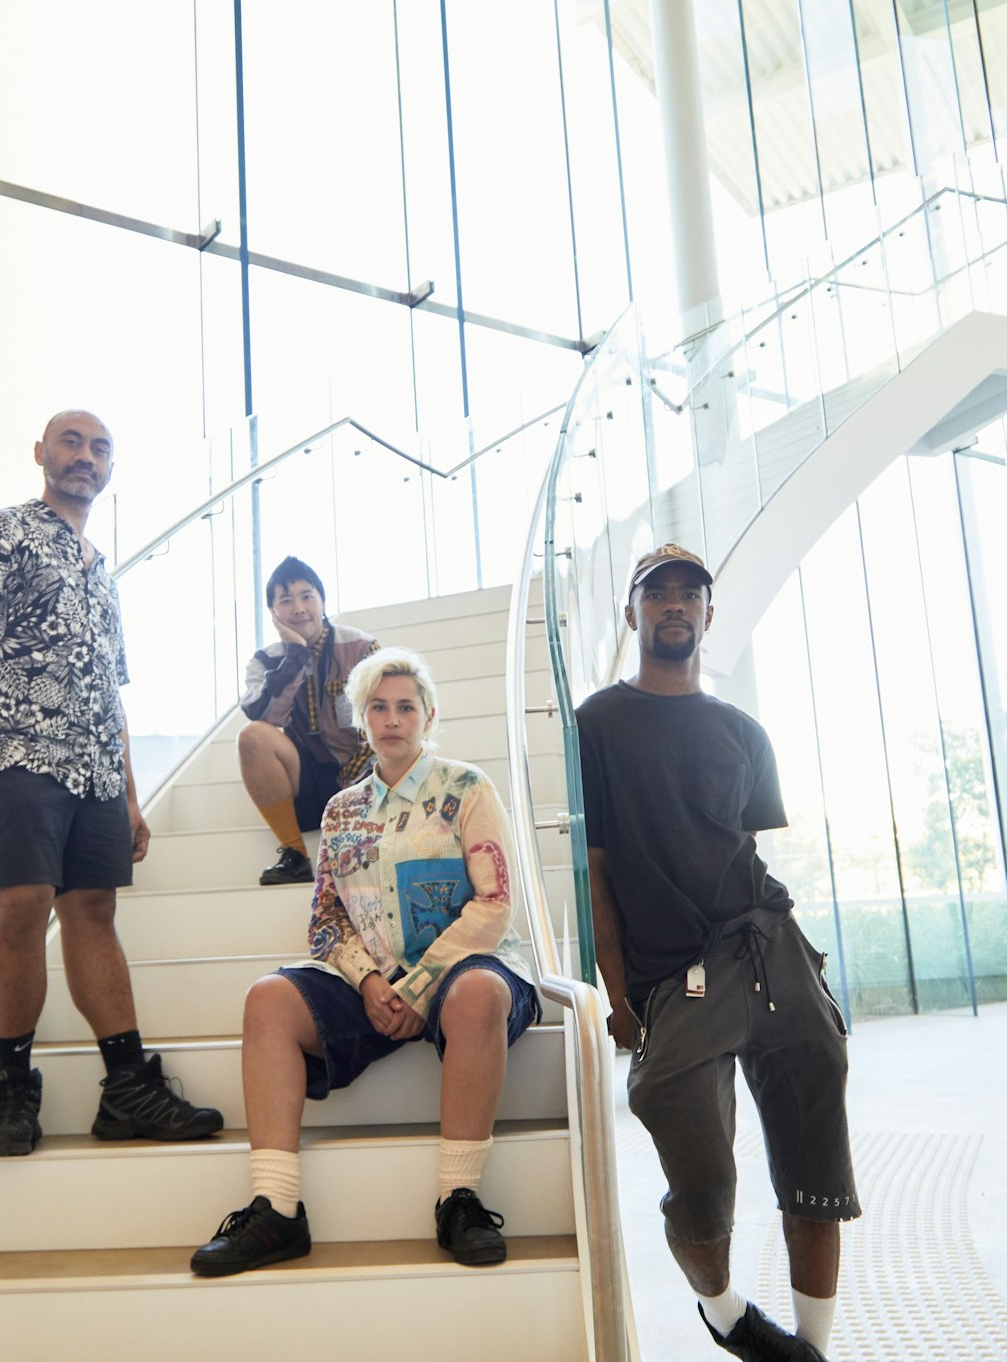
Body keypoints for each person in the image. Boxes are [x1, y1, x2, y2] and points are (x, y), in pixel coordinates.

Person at [0, 409, 223, 1158]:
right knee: (24, 901)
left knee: (93, 908)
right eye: (71, 441)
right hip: (17, 749)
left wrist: (129, 794)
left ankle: (127, 1088)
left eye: (100, 448)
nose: (85, 457)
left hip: (94, 763)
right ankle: (12, 1091)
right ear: (40, 453)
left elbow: (109, 691)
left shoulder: (104, 574)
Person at [576, 545, 857, 1362]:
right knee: (699, 1190)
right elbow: (594, 871)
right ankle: (728, 1314)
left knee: (817, 1170)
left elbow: (743, 850)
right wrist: (618, 994)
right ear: (631, 614)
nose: (673, 606)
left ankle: (811, 1350)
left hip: (771, 946)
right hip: (676, 980)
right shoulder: (595, 724)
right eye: (655, 593)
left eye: (689, 595)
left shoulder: (743, 731)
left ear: (707, 613)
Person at [191, 647, 542, 1276]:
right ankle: (276, 1207)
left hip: (465, 973)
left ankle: (457, 1199)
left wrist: (422, 986)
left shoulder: (465, 788)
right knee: (266, 998)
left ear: (428, 716)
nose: (392, 718)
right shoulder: (340, 811)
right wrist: (375, 981)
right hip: (375, 986)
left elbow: (495, 904)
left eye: (406, 706)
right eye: (377, 707)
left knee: (478, 994)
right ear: (361, 718)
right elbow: (325, 921)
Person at [237, 557, 379, 885]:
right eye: (285, 601)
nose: (299, 608)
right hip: (306, 780)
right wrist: (295, 654)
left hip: (364, 776)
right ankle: (295, 855)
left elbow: (384, 718)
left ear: (323, 600)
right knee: (252, 736)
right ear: (273, 613)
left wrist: (354, 779)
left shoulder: (360, 647)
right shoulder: (264, 660)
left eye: (307, 596)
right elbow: (264, 714)